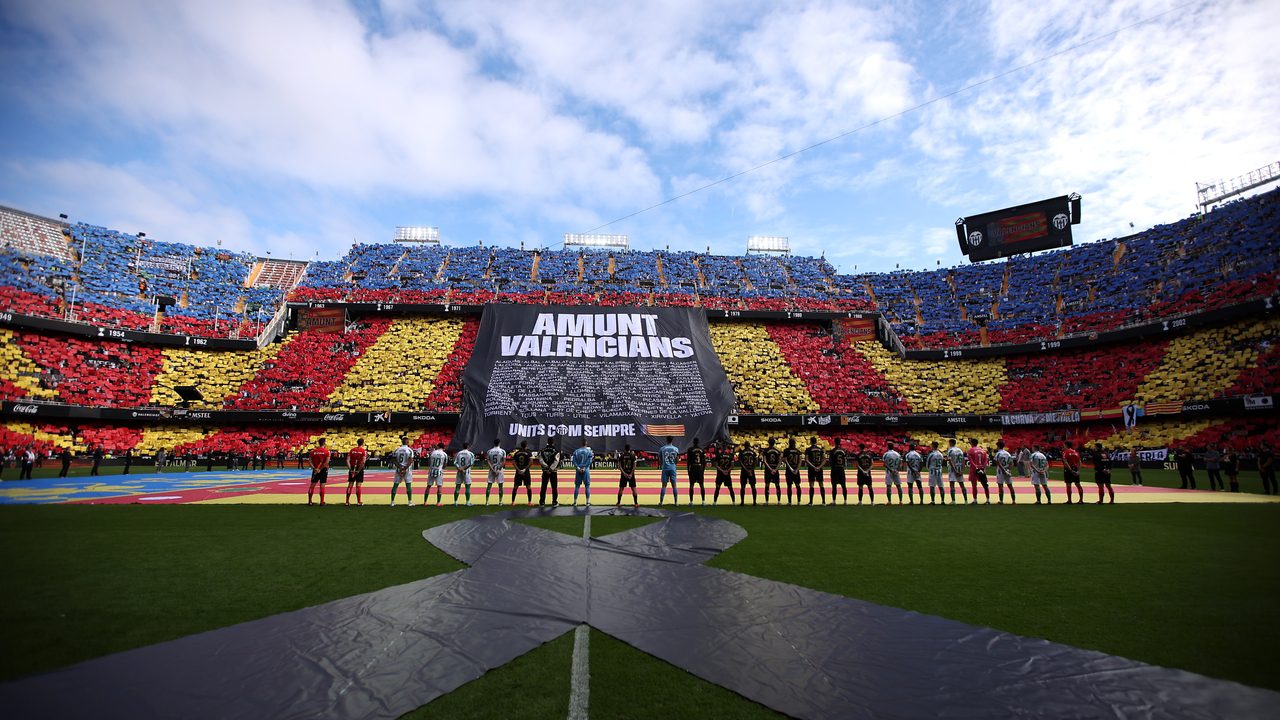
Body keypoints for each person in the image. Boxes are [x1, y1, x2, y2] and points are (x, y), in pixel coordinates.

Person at [389, 436, 415, 507]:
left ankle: (392, 502)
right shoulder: (409, 450)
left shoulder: (397, 450)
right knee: (408, 485)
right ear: (407, 442)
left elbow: (394, 460)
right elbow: (410, 460)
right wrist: (404, 468)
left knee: (395, 485)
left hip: (398, 469)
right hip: (407, 470)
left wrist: (400, 468)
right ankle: (409, 502)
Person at [307, 438, 331, 506]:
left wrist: (315, 468)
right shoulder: (327, 451)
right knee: (322, 486)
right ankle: (322, 501)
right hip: (323, 470)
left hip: (315, 470)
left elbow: (310, 461)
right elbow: (326, 462)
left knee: (312, 485)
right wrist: (320, 469)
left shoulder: (313, 451)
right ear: (324, 443)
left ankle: (310, 501)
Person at [966, 438, 990, 505]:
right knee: (985, 485)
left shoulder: (970, 450)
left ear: (972, 443)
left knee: (974, 485)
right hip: (982, 470)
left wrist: (976, 468)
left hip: (974, 470)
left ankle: (975, 500)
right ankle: (988, 500)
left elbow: (971, 461)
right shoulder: (983, 450)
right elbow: (986, 461)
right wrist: (982, 468)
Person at [945, 438, 969, 505]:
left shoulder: (950, 450)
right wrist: (962, 470)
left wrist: (955, 470)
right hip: (960, 468)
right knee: (962, 485)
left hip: (953, 469)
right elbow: (964, 460)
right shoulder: (960, 450)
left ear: (950, 443)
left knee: (952, 485)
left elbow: (950, 461)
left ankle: (953, 501)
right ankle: (966, 500)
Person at [712, 440, 736, 505]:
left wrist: (722, 471)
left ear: (722, 448)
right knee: (730, 488)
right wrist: (727, 471)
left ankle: (714, 502)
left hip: (720, 474)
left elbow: (716, 465)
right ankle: (734, 502)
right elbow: (732, 466)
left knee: (717, 488)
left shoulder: (718, 455)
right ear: (726, 448)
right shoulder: (730, 455)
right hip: (727, 474)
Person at [657, 437, 680, 506]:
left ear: (666, 440)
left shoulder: (662, 448)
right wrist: (673, 464)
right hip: (673, 468)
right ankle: (676, 502)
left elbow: (660, 460)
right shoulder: (676, 449)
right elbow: (677, 460)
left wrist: (663, 465)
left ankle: (661, 502)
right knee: (674, 485)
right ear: (672, 440)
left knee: (664, 485)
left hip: (665, 467)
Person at [345, 438, 368, 506]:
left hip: (352, 468)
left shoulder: (352, 450)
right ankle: (358, 502)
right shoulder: (363, 451)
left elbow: (347, 460)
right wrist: (358, 470)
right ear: (363, 443)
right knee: (358, 485)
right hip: (359, 469)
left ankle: (347, 502)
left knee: (350, 484)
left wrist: (350, 469)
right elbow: (363, 462)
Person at [804, 437, 827, 505]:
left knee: (811, 485)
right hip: (819, 469)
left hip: (811, 469)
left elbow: (806, 460)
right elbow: (825, 459)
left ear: (810, 442)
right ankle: (823, 502)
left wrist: (814, 467)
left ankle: (811, 502)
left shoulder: (808, 450)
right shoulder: (820, 449)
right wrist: (819, 467)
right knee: (821, 484)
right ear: (816, 442)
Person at [538, 439, 561, 506]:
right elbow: (556, 461)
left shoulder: (542, 451)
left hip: (545, 471)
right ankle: (554, 502)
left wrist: (547, 467)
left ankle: (542, 502)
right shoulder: (556, 451)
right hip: (553, 472)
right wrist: (551, 469)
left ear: (547, 442)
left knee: (543, 487)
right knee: (554, 487)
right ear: (553, 442)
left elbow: (541, 460)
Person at [571, 439, 593, 506]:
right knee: (587, 486)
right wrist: (584, 468)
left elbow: (574, 461)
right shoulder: (589, 451)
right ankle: (587, 502)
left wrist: (578, 468)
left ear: (581, 443)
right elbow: (589, 461)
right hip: (586, 470)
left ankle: (575, 502)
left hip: (578, 470)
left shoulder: (576, 451)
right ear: (586, 443)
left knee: (577, 486)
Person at [993, 440, 1016, 504]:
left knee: (1000, 486)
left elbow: (998, 462)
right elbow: (1011, 463)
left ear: (998, 446)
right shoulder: (1007, 453)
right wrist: (1008, 470)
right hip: (1007, 470)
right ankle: (1013, 500)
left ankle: (1001, 500)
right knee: (1010, 486)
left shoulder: (998, 453)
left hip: (1001, 471)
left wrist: (1003, 470)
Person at [453, 442, 476, 506]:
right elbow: (471, 463)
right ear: (468, 446)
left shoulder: (458, 453)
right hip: (467, 472)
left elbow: (455, 463)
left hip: (459, 472)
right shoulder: (470, 454)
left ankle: (455, 502)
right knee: (467, 487)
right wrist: (464, 469)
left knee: (458, 486)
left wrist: (460, 469)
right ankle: (467, 502)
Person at [485, 440, 507, 505]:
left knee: (489, 485)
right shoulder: (502, 451)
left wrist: (492, 469)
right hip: (499, 469)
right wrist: (499, 469)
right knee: (500, 485)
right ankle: (500, 502)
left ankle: (487, 501)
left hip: (492, 469)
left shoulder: (489, 451)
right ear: (499, 443)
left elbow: (488, 461)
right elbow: (504, 461)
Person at [511, 440, 534, 505]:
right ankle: (529, 502)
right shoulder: (529, 452)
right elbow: (531, 462)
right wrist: (525, 469)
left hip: (518, 471)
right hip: (526, 471)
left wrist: (518, 469)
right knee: (528, 486)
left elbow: (513, 463)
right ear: (526, 445)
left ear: (521, 446)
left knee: (515, 486)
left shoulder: (516, 453)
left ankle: (513, 502)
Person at [687, 438, 708, 505]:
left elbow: (688, 462)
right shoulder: (702, 450)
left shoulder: (690, 449)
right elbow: (704, 462)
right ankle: (703, 501)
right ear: (698, 442)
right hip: (699, 468)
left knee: (691, 485)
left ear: (693, 442)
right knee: (701, 485)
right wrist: (703, 471)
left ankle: (691, 501)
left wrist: (688, 471)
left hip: (693, 468)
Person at [829, 438, 849, 505]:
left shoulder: (832, 451)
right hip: (841, 469)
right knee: (843, 485)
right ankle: (845, 501)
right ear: (840, 442)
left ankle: (834, 501)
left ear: (834, 442)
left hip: (835, 469)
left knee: (834, 486)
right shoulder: (843, 451)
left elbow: (830, 461)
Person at [738, 441, 758, 505]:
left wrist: (746, 470)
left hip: (744, 471)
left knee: (743, 486)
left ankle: (742, 502)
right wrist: (751, 470)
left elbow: (741, 462)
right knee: (753, 486)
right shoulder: (753, 452)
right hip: (751, 471)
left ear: (744, 446)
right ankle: (754, 502)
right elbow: (756, 462)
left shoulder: (741, 452)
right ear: (749, 445)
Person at [783, 438, 803, 505]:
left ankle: (789, 502)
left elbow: (785, 460)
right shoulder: (798, 451)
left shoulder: (786, 451)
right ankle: (799, 501)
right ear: (795, 443)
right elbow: (800, 461)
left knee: (789, 486)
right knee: (798, 485)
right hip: (796, 470)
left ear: (789, 443)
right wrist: (797, 469)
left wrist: (790, 468)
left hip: (789, 470)